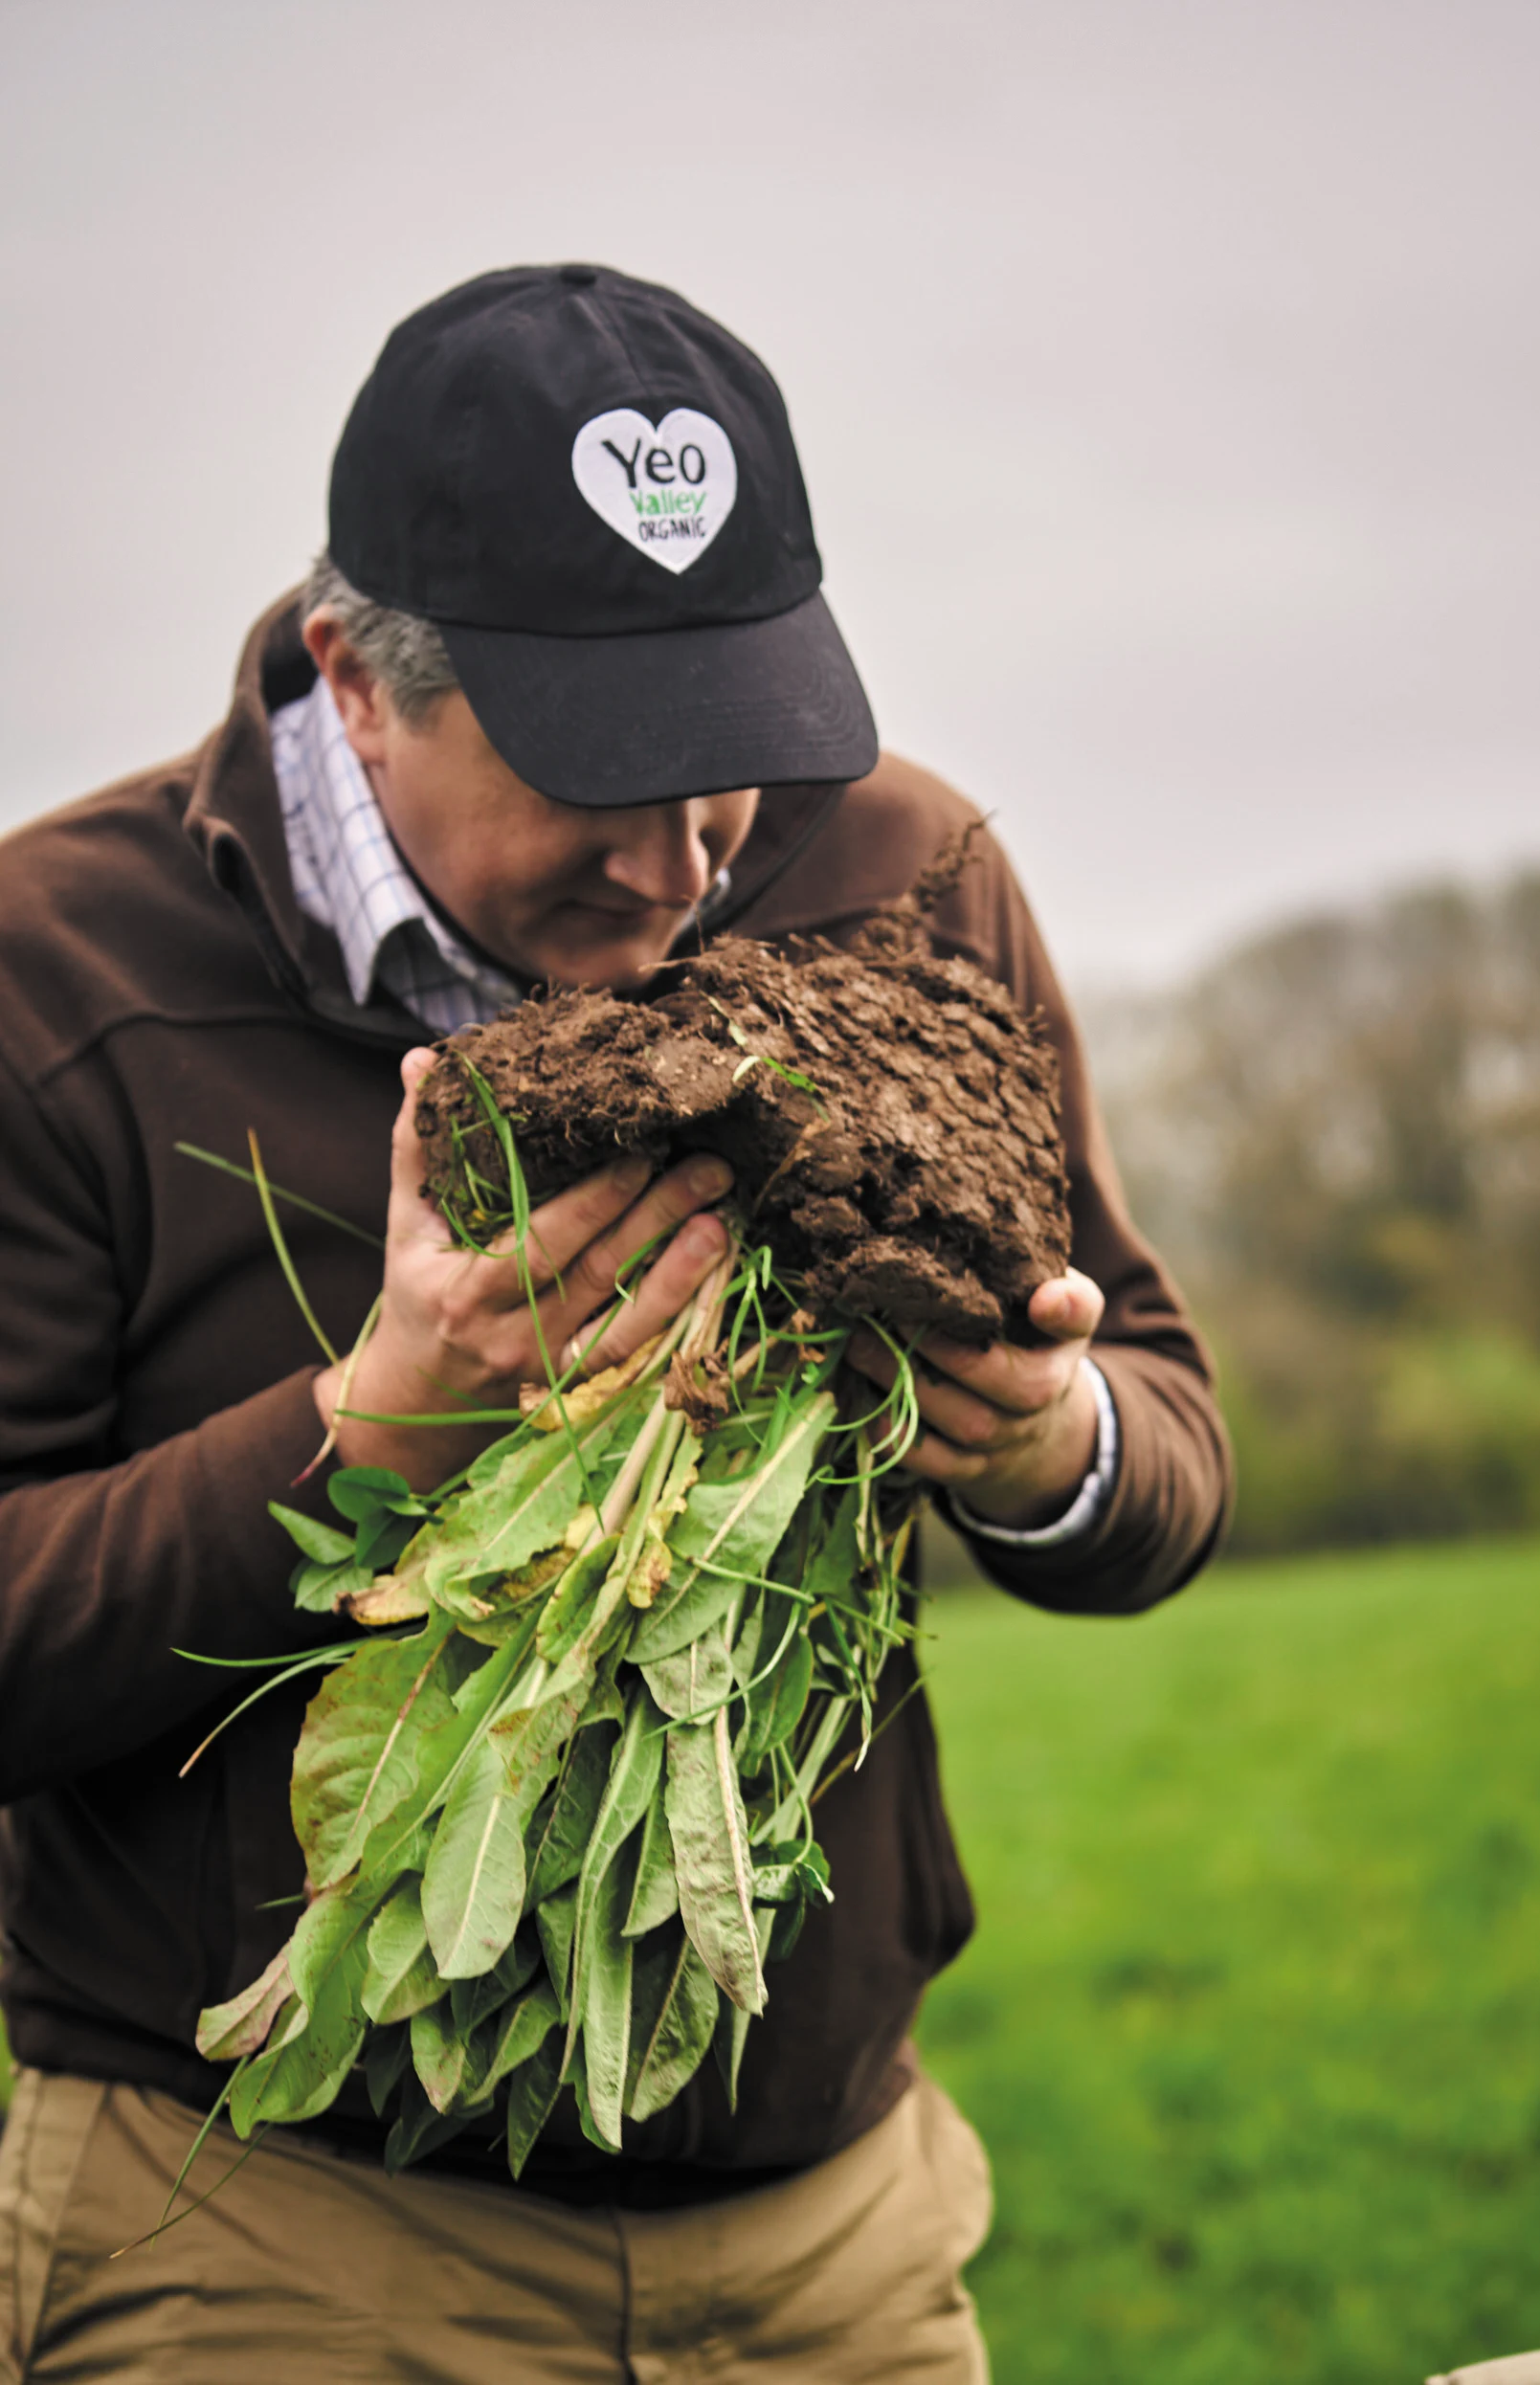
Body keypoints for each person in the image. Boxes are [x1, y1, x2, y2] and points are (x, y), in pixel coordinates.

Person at [0, 264, 1232, 2382]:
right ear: (356, 682)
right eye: (603, 768)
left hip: (830, 2241)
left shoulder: (910, 870)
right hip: (268, 2241)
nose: (680, 864)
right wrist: (372, 1438)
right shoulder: (55, 973)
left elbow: (1164, 1426)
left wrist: (1044, 1441)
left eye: (728, 752)